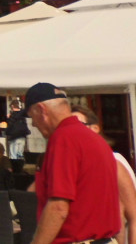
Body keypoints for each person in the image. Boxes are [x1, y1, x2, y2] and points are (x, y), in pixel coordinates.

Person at [26, 83, 120, 244]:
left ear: (41, 110)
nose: (33, 124)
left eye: (31, 117)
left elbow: (58, 207)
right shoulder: (93, 138)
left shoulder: (63, 138)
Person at [71, 104, 136, 244]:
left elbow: (124, 214)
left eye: (79, 124)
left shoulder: (113, 162)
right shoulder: (70, 164)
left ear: (95, 128)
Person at [3, 100, 29, 172]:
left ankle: (15, 170)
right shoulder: (23, 115)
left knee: (13, 155)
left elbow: (10, 124)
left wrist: (8, 118)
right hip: (22, 136)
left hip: (14, 137)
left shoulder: (13, 115)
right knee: (20, 154)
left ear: (12, 106)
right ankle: (21, 168)